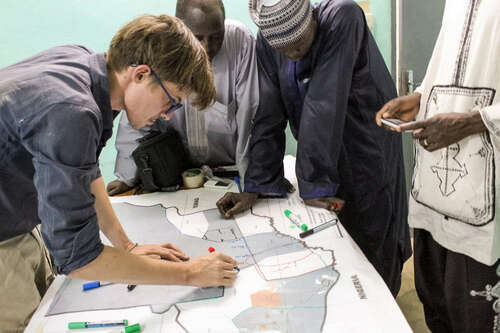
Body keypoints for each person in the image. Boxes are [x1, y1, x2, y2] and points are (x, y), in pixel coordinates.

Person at [0, 14, 238, 331]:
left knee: (47, 305)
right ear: (140, 74)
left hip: (17, 216)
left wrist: (126, 246)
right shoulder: (72, 112)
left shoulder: (86, 66)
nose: (167, 116)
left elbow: (85, 170)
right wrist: (190, 273)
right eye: (172, 102)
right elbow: (79, 259)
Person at [216, 0, 411, 297]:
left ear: (312, 19)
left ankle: (382, 311)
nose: (294, 54)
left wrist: (314, 183)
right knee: (333, 248)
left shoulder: (343, 17)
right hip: (319, 155)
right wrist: (257, 183)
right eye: (285, 49)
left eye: (300, 43)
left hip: (365, 152)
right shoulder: (267, 45)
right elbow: (269, 113)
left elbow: (324, 101)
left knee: (371, 238)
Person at [376, 1, 500, 331]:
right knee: (437, 310)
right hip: (434, 199)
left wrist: (476, 121)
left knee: (476, 320)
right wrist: (420, 96)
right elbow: (451, 62)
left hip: (485, 207)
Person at [107, 0, 259, 196]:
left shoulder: (240, 40)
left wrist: (253, 183)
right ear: (181, 31)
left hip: (230, 169)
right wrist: (127, 178)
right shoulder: (159, 47)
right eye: (198, 38)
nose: (207, 47)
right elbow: (137, 115)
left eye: (216, 36)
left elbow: (250, 113)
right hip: (179, 174)